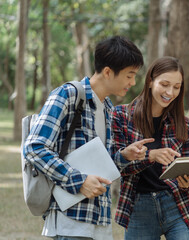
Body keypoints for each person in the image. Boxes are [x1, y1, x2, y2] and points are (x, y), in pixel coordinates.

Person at [23, 35, 146, 240]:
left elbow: (97, 166)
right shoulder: (68, 95)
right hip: (70, 222)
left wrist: (123, 156)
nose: (133, 82)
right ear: (108, 72)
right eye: (129, 75)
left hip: (99, 222)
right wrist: (78, 181)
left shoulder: (107, 108)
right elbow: (34, 148)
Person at [111, 56, 189, 239]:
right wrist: (150, 156)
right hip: (138, 207)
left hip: (176, 204)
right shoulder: (121, 116)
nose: (170, 92)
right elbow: (116, 165)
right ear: (150, 81)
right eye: (165, 84)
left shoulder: (183, 124)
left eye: (177, 87)